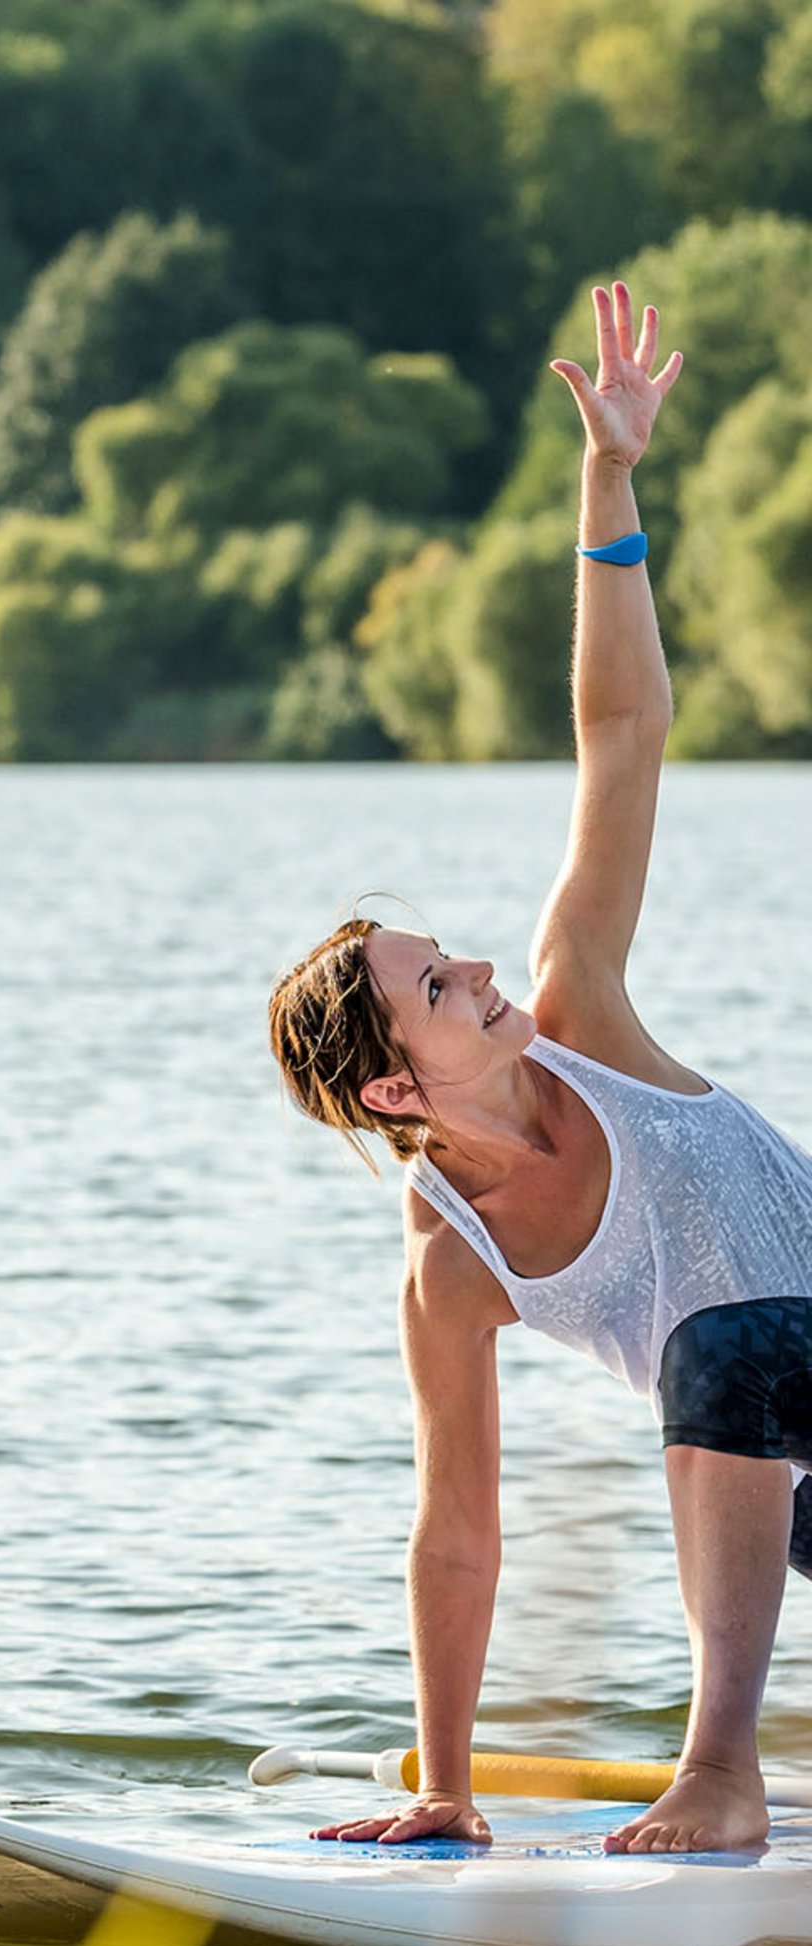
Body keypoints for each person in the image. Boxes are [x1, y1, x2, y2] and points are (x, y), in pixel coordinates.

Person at [268, 281, 812, 1858]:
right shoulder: (455, 1265)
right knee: (740, 1384)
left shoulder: (586, 1014)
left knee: (723, 1354)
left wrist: (611, 482)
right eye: (439, 988)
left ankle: (719, 1777)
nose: (485, 974)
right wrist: (445, 1787)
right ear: (393, 1089)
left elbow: (622, 729)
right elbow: (457, 1535)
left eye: (454, 957)